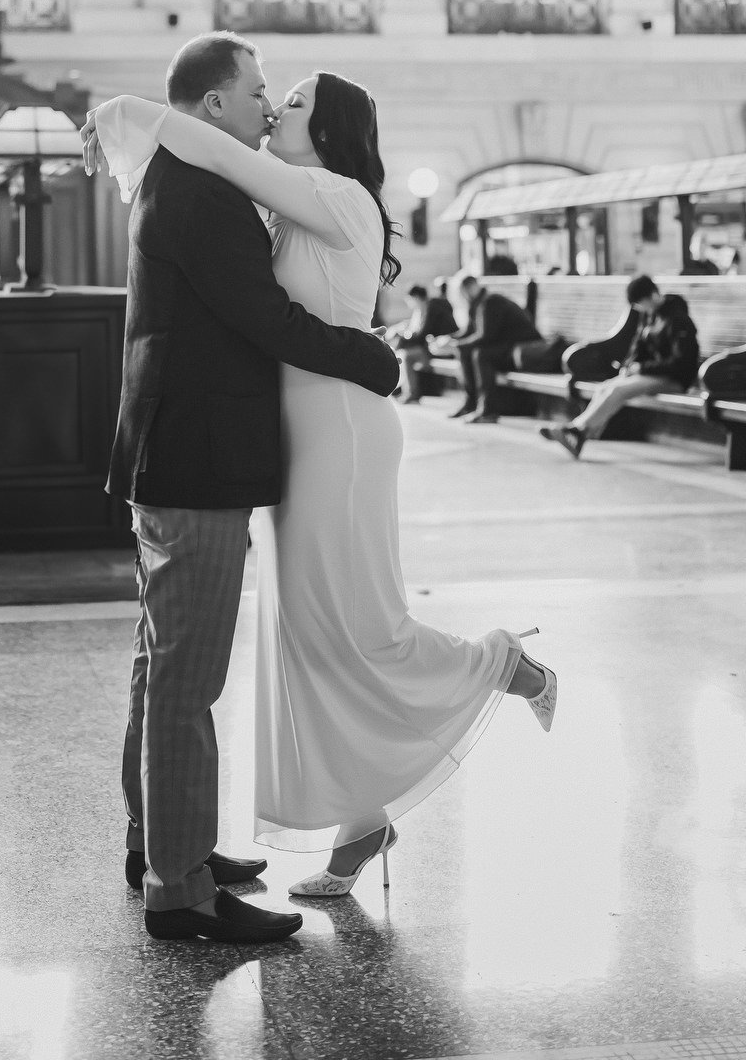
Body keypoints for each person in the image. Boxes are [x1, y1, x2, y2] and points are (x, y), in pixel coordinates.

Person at [87, 53, 555, 916]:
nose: (272, 108)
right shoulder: (266, 195)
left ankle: (502, 663)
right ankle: (344, 821)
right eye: (265, 93)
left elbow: (248, 216)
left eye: (289, 99)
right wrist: (139, 114)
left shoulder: (331, 195)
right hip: (285, 439)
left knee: (357, 626)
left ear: (327, 129)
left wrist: (134, 112)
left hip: (337, 429)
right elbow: (262, 283)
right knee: (307, 636)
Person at [86, 34, 402, 946]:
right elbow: (264, 318)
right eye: (259, 89)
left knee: (161, 668)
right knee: (186, 680)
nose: (267, 105)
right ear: (216, 104)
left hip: (169, 450)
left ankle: (162, 844)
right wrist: (370, 356)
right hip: (199, 459)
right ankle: (180, 890)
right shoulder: (205, 191)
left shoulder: (175, 176)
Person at [540, 278, 700, 458]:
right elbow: (638, 347)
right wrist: (629, 366)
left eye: (642, 303)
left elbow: (682, 363)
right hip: (650, 375)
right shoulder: (650, 316)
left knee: (617, 390)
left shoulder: (679, 320)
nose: (641, 308)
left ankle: (577, 430)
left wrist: (642, 368)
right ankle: (580, 434)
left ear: (654, 295)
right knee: (604, 387)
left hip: (674, 380)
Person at [451, 273, 540, 423]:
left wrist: (456, 345)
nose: (462, 297)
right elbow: (469, 332)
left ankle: (487, 410)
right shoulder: (478, 304)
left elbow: (486, 336)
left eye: (462, 293)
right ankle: (471, 403)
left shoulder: (490, 302)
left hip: (523, 349)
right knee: (467, 351)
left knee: (481, 355)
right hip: (508, 348)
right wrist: (450, 341)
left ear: (471, 288)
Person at [387, 282, 457, 402]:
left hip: (438, 348)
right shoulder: (423, 308)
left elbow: (422, 334)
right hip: (430, 347)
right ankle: (402, 388)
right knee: (401, 352)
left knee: (406, 356)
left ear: (416, 297)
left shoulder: (430, 308)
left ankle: (412, 393)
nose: (409, 303)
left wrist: (403, 337)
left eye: (409, 300)